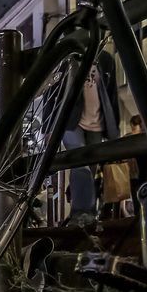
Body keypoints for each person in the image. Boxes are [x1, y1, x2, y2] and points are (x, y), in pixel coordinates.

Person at [62, 48, 119, 224]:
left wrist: (113, 129)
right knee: (81, 165)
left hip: (97, 123)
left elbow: (112, 94)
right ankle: (82, 213)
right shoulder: (69, 57)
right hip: (72, 121)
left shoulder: (105, 59)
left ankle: (81, 213)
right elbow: (54, 90)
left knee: (90, 170)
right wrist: (48, 128)